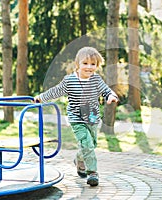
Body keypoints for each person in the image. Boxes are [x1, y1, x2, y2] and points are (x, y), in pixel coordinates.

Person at [34, 46, 118, 186]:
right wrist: (41, 98)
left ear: (97, 66)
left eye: (93, 64)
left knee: (91, 144)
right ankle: (92, 173)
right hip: (76, 119)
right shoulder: (69, 81)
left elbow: (106, 90)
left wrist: (111, 96)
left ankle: (79, 159)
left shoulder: (96, 80)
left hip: (92, 118)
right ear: (77, 64)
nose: (89, 67)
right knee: (87, 144)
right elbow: (56, 91)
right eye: (85, 63)